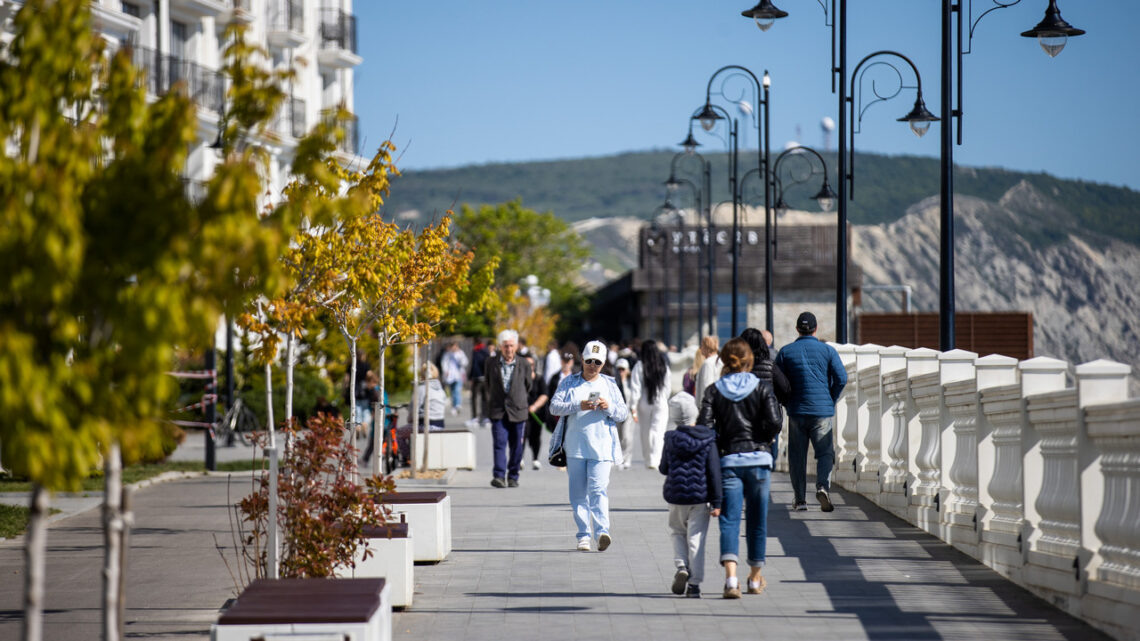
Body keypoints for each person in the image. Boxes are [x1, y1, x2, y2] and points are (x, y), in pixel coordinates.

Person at [697, 337, 782, 599]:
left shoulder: (714, 391)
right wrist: (763, 438)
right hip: (758, 461)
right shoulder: (762, 388)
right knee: (757, 521)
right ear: (749, 361)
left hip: (729, 461)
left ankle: (731, 580)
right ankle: (755, 579)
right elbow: (775, 422)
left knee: (729, 520)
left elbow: (704, 427)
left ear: (724, 361)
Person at [548, 340, 630, 552]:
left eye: (598, 362)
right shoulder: (570, 382)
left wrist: (608, 407)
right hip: (575, 447)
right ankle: (583, 534)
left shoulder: (610, 384)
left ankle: (602, 531)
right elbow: (554, 407)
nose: (593, 365)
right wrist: (578, 405)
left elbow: (623, 413)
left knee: (598, 490)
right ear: (582, 360)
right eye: (589, 361)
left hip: (602, 447)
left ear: (603, 364)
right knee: (578, 494)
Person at [774, 312, 847, 512]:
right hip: (822, 411)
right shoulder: (828, 351)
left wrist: (787, 401)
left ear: (797, 329)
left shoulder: (785, 352)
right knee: (825, 452)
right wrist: (830, 399)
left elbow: (778, 381)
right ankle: (823, 486)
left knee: (797, 456)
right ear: (815, 329)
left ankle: (800, 500)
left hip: (797, 410)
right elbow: (841, 378)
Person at [659, 391, 721, 599]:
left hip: (676, 496)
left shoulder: (670, 438)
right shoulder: (708, 439)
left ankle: (681, 566)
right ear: (695, 413)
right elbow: (714, 471)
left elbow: (663, 468)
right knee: (696, 539)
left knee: (677, 532)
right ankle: (694, 585)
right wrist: (717, 501)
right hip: (700, 496)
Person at [486, 329, 533, 488]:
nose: (509, 349)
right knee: (499, 443)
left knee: (517, 446)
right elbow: (488, 384)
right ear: (500, 346)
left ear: (517, 346)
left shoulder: (524, 363)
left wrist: (518, 398)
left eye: (512, 345)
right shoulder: (491, 363)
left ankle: (513, 475)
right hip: (498, 410)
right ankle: (499, 476)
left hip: (518, 410)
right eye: (506, 346)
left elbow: (528, 385)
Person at [740, 327, 792, 461]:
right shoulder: (770, 366)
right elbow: (785, 388)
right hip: (767, 418)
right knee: (767, 458)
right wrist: (776, 401)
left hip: (743, 422)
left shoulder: (738, 368)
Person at [630, 339, 671, 469]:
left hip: (644, 401)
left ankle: (648, 459)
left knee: (645, 431)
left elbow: (635, 387)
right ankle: (656, 458)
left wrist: (633, 406)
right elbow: (667, 386)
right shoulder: (663, 365)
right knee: (658, 431)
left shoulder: (639, 366)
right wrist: (664, 397)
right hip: (661, 400)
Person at [521, 351, 550, 470]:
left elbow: (544, 394)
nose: (529, 367)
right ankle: (520, 459)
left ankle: (535, 459)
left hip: (536, 413)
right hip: (523, 413)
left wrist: (535, 406)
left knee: (535, 437)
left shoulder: (539, 379)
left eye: (531, 364)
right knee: (522, 435)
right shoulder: (519, 379)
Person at [613, 358, 636, 470]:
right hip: (617, 412)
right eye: (619, 369)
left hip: (628, 412)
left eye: (623, 369)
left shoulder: (631, 382)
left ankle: (627, 459)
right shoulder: (614, 382)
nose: (621, 372)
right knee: (617, 436)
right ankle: (618, 458)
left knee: (627, 436)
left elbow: (632, 396)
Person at [440, 341, 469, 416]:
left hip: (458, 375)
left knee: (457, 390)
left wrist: (459, 357)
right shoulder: (448, 354)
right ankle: (454, 406)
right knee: (452, 391)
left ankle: (458, 405)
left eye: (455, 346)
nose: (454, 348)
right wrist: (445, 371)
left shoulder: (460, 353)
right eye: (453, 346)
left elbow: (465, 363)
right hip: (450, 376)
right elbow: (444, 363)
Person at [692, 336, 722, 404]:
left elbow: (707, 385)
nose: (700, 348)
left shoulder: (708, 363)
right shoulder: (719, 361)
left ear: (706, 347)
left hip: (708, 405)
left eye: (702, 345)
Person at [468, 338, 490, 428]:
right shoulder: (482, 350)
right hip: (480, 377)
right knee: (481, 398)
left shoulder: (480, 351)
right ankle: (480, 417)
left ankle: (480, 417)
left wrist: (471, 376)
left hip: (480, 377)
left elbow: (476, 364)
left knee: (479, 398)